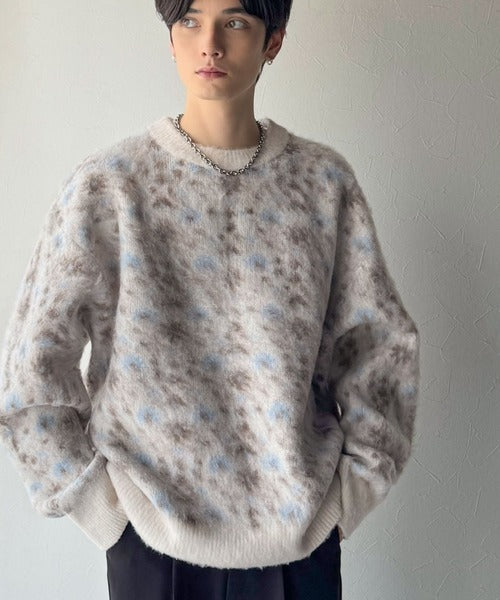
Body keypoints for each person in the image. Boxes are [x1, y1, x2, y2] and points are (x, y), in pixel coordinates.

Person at [0, 0, 420, 598]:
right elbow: (31, 366)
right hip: (150, 544)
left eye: (236, 21)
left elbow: (378, 351)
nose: (210, 43)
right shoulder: (111, 185)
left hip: (300, 545)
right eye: (190, 21)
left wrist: (348, 498)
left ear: (274, 40)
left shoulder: (324, 184)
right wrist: (103, 511)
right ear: (170, 38)